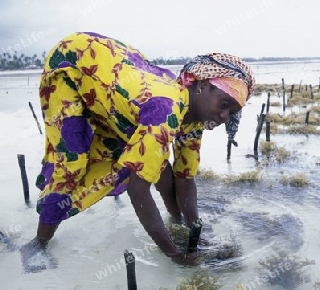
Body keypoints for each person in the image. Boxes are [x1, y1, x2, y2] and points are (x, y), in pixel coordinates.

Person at [21, 31, 255, 266]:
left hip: (121, 79)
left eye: (232, 112)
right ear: (202, 85)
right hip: (75, 62)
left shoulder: (195, 119)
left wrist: (193, 229)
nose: (224, 117)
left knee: (156, 162)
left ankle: (175, 220)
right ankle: (38, 243)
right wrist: (175, 255)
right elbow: (138, 190)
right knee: (71, 165)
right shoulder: (165, 111)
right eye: (224, 105)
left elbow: (184, 178)